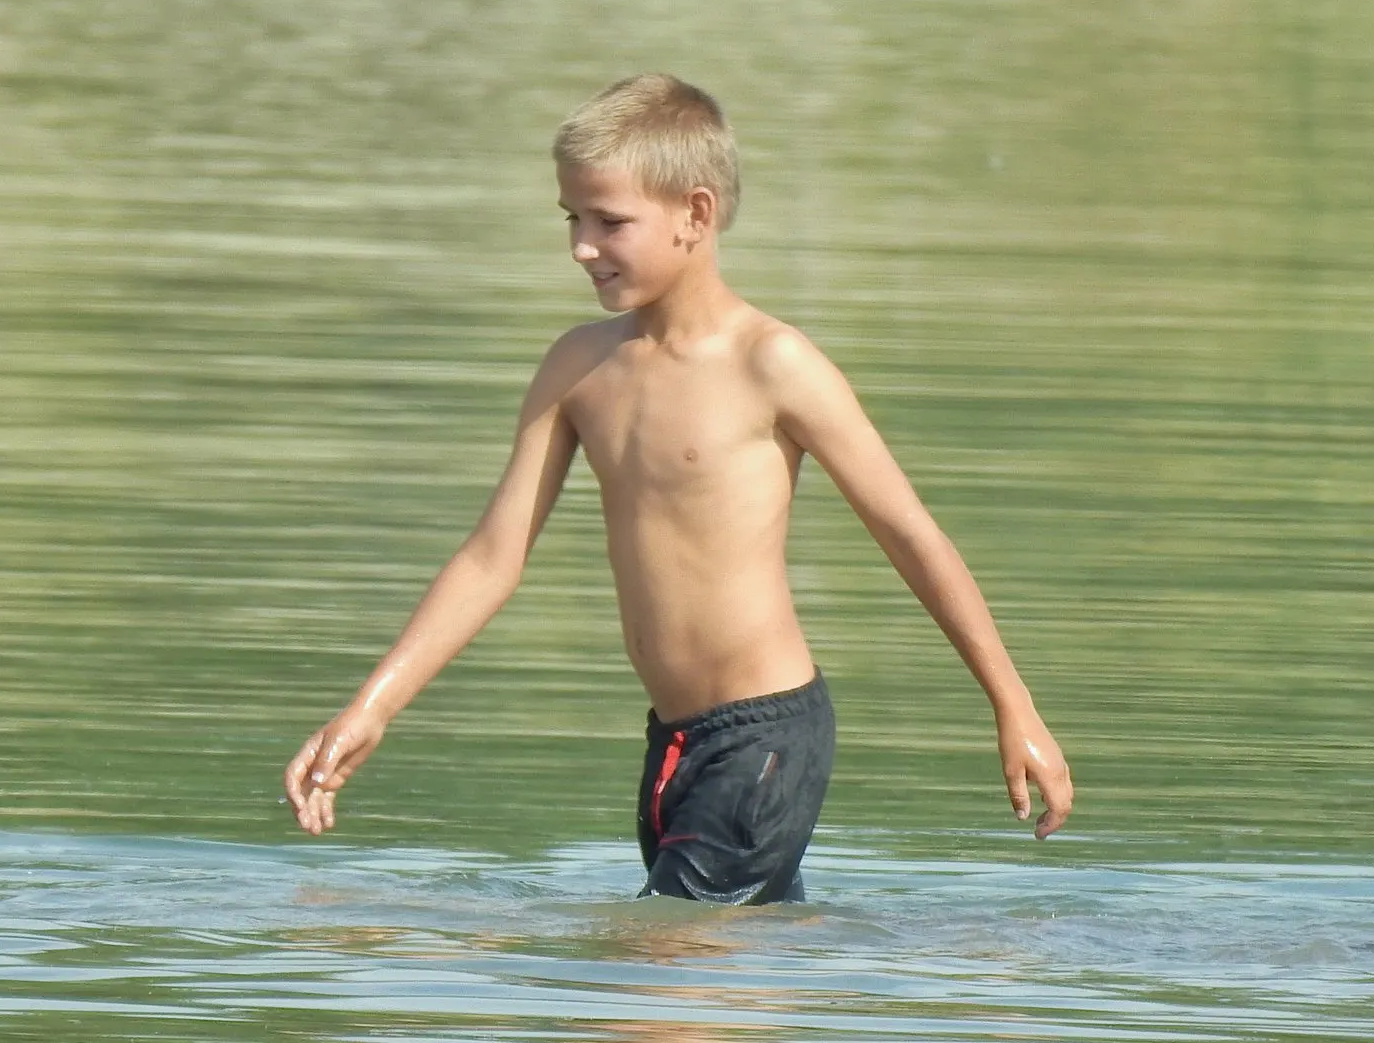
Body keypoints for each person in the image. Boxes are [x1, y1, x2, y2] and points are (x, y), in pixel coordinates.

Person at [284, 73, 1073, 905]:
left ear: (696, 214)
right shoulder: (578, 367)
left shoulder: (774, 363)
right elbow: (492, 556)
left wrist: (1012, 704)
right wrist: (372, 706)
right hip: (671, 743)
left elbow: (912, 536)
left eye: (609, 221)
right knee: (714, 962)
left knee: (658, 963)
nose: (582, 246)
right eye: (572, 218)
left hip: (766, 736)